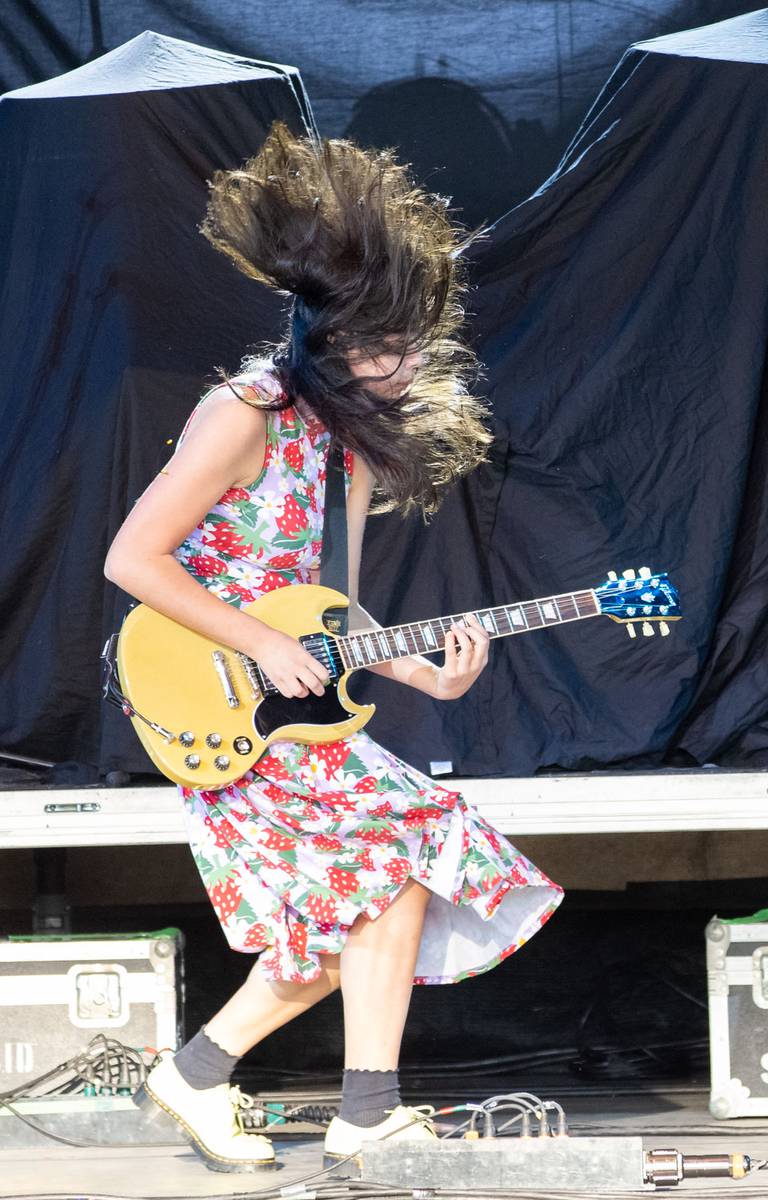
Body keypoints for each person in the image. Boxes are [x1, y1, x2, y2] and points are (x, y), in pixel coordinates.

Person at [104, 120, 563, 1174]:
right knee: (396, 851)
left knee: (352, 902)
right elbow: (133, 559)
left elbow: (333, 610)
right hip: (206, 698)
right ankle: (362, 1116)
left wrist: (412, 666)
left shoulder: (346, 448)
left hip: (284, 701)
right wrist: (258, 642)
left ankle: (205, 1078)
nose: (396, 370)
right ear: (325, 339)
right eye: (374, 350)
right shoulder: (243, 414)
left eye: (406, 348)